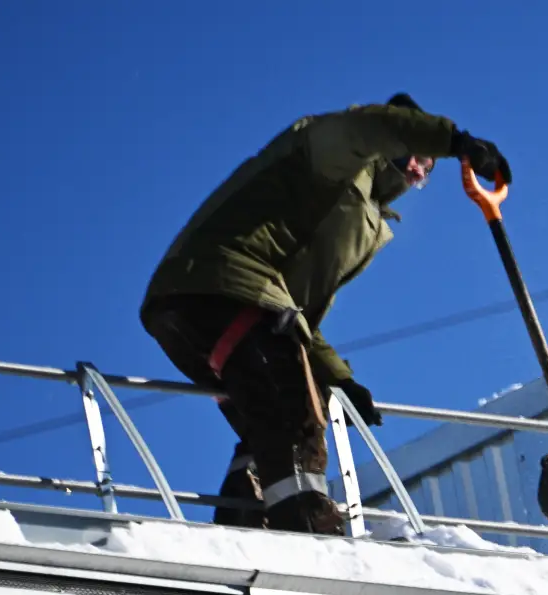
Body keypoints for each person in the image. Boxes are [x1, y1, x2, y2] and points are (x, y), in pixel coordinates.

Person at [141, 94, 509, 534]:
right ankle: (310, 528)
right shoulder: (336, 155)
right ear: (395, 139)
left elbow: (298, 315)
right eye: (417, 157)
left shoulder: (360, 218)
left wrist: (340, 378)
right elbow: (367, 128)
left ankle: (245, 518)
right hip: (218, 283)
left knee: (278, 410)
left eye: (428, 170)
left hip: (198, 307)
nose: (418, 172)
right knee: (295, 413)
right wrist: (454, 139)